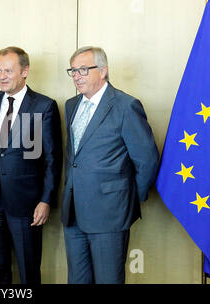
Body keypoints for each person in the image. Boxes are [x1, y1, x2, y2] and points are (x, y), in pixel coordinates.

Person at [61, 46, 159, 284]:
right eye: (73, 70)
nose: (77, 75)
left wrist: (128, 199)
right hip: (73, 212)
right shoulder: (71, 105)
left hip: (110, 214)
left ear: (103, 71)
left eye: (83, 69)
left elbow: (147, 159)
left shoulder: (126, 106)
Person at [0, 46, 63, 284]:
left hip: (27, 204)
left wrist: (46, 200)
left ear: (25, 71)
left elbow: (51, 159)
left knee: (28, 271)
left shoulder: (44, 106)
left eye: (8, 70)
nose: (1, 76)